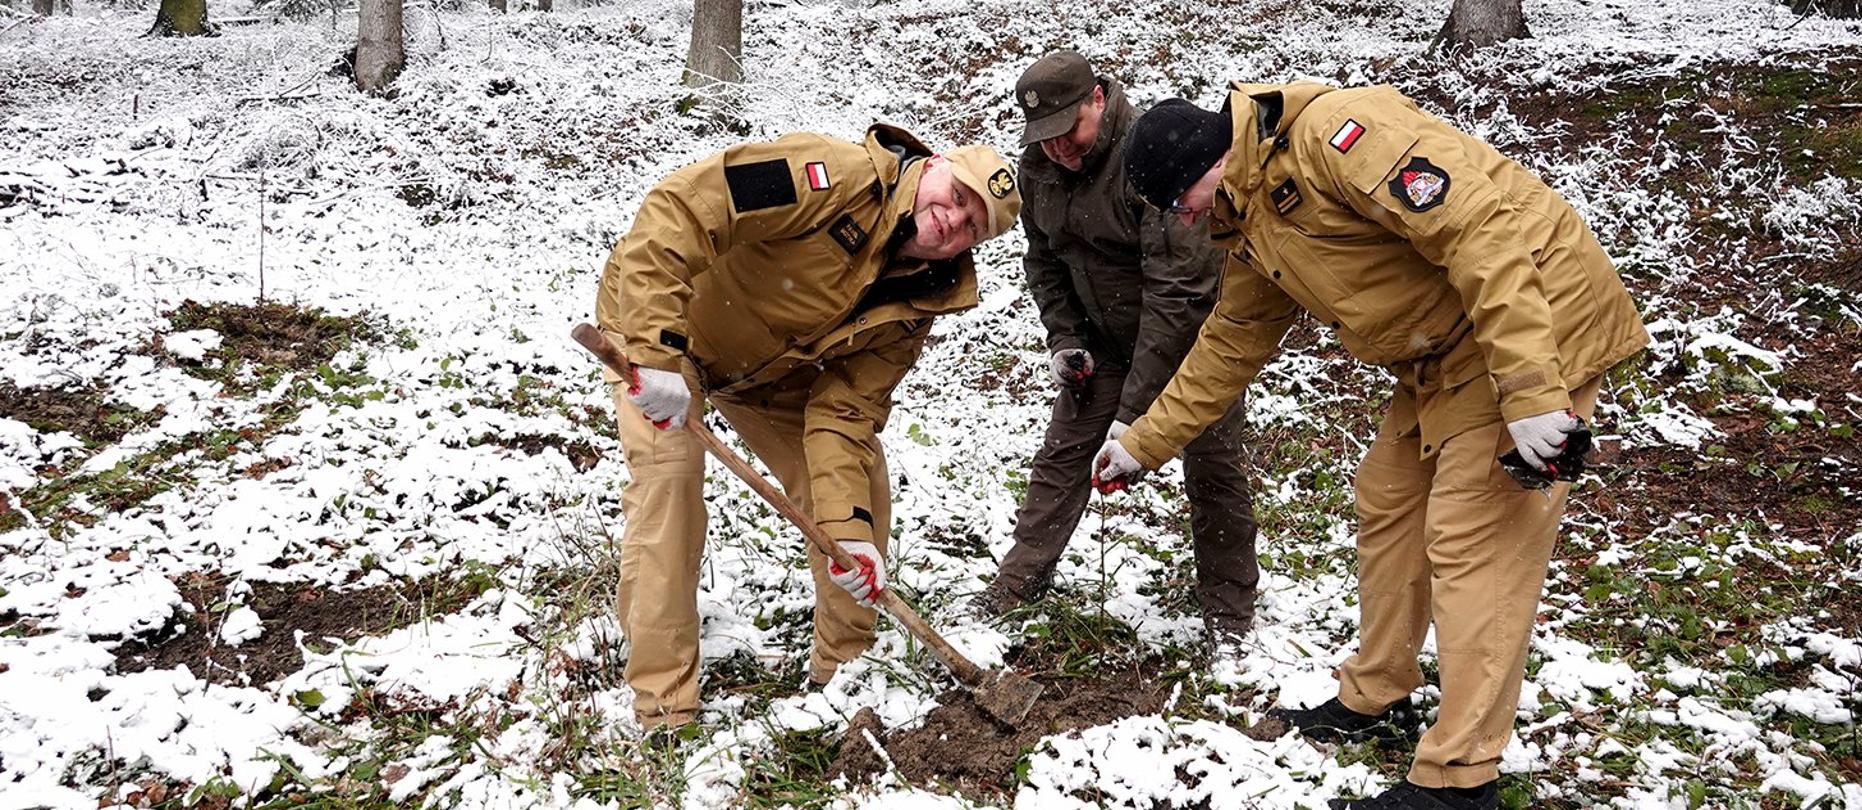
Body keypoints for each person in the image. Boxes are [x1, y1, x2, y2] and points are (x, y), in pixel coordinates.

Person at [1093, 82, 1649, 808]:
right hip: (1445, 355)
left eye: (1178, 201)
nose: (1183, 219)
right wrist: (1142, 444)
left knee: (1471, 540)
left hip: (1536, 324)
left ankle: (1460, 779)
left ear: (1211, 161)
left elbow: (1481, 231)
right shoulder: (1254, 214)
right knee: (1387, 499)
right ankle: (1379, 691)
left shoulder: (1337, 137)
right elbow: (1228, 345)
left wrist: (1534, 393)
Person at [593, 124, 1021, 730]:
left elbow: (845, 410)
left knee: (857, 490)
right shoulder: (832, 175)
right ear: (934, 166)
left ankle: (844, 674)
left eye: (974, 224)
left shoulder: (925, 298)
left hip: (766, 373)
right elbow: (685, 207)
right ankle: (664, 705)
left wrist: (847, 532)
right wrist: (658, 352)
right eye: (956, 196)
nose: (953, 220)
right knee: (670, 482)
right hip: (665, 324)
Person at [967, 50, 1259, 660]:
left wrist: (1133, 417)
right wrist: (1065, 338)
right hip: (1101, 340)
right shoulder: (1040, 168)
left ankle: (1229, 611)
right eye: (1043, 139)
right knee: (1063, 453)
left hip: (1189, 347)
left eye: (1069, 132)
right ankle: (1019, 582)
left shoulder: (1153, 159)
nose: (1059, 150)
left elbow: (1178, 293)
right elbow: (1044, 260)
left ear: (1097, 99)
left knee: (1214, 468)